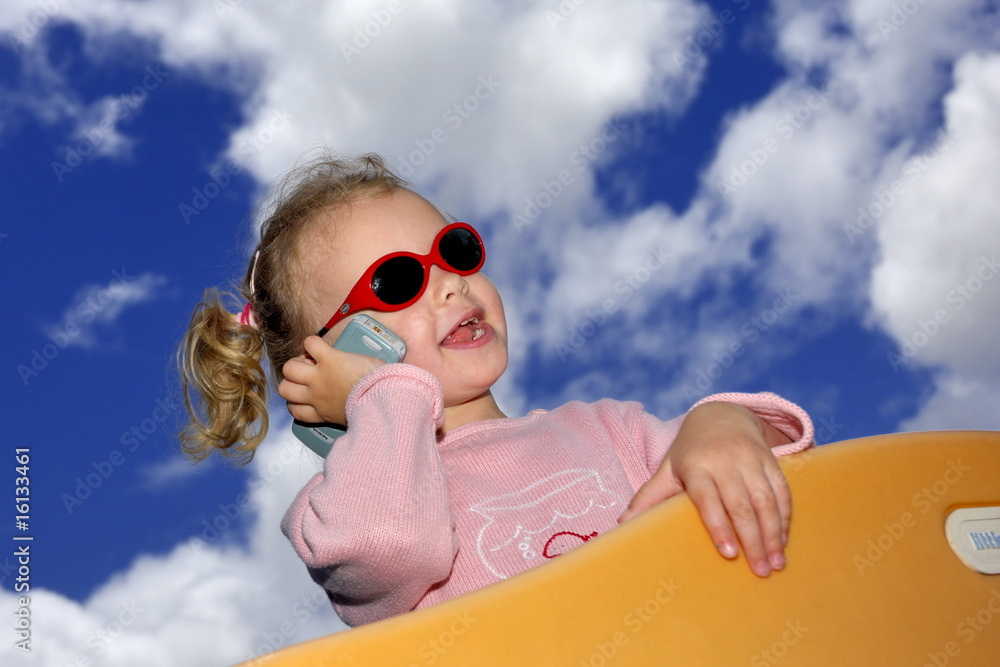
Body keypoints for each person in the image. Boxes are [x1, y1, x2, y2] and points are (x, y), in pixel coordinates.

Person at [179, 153, 814, 627]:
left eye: (453, 252)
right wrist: (384, 393)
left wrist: (724, 422)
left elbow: (778, 469)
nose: (450, 285)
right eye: (398, 282)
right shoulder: (332, 511)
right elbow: (393, 552)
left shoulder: (606, 429)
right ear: (328, 360)